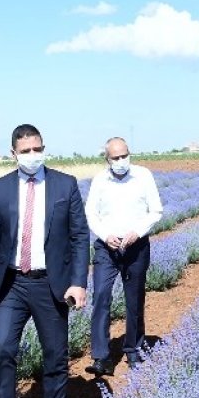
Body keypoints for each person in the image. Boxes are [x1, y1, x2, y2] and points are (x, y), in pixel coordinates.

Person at [0, 124, 89, 398]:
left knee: (54, 354)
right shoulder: (0, 189)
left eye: (36, 149)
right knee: (1, 349)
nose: (32, 155)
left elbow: (80, 237)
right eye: (25, 151)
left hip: (49, 284)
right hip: (11, 284)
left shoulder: (65, 185)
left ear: (43, 148)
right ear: (14, 154)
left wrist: (78, 281)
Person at [84, 137, 163, 376]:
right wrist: (105, 235)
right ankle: (101, 356)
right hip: (106, 248)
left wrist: (136, 232)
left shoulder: (143, 176)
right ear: (107, 159)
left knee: (134, 299)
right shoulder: (100, 180)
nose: (121, 161)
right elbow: (91, 212)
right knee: (101, 297)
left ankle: (133, 349)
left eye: (124, 156)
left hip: (135, 247)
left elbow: (156, 210)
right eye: (115, 157)